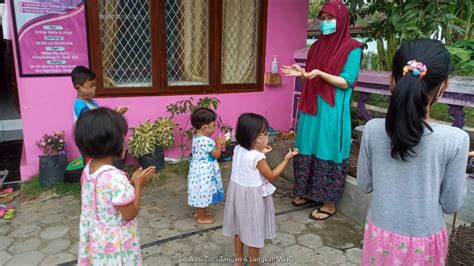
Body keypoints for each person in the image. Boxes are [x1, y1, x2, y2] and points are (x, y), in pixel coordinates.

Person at [357, 39, 469, 265]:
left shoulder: (372, 130)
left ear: (391, 81)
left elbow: (364, 185)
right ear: (444, 86)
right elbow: (452, 204)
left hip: (380, 237)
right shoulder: (456, 140)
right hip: (425, 244)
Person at [281, 2, 363, 220]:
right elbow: (311, 74)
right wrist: (304, 73)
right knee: (306, 145)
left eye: (330, 17)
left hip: (332, 108)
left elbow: (346, 81)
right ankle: (306, 193)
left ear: (342, 20)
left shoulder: (352, 48)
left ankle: (329, 203)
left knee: (328, 148)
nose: (325, 22)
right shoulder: (316, 46)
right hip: (311, 105)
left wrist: (317, 73)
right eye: (322, 17)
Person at [75, 107, 156, 265]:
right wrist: (138, 185)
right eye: (123, 136)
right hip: (115, 244)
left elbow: (105, 198)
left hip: (98, 241)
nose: (126, 141)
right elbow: (129, 214)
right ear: (114, 142)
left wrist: (129, 186)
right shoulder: (115, 178)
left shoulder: (89, 169)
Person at [223, 113, 299, 266]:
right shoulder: (258, 158)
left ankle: (239, 261)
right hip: (253, 198)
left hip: (237, 194)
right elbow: (271, 176)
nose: (266, 137)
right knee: (253, 232)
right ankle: (253, 264)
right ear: (251, 137)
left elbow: (248, 161)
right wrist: (286, 158)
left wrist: (260, 152)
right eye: (263, 134)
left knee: (239, 229)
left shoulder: (237, 149)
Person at [187, 107, 226, 224]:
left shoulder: (197, 137)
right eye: (213, 125)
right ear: (205, 128)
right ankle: (202, 217)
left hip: (197, 170)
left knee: (199, 190)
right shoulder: (206, 141)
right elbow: (216, 155)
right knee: (203, 191)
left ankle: (199, 212)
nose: (215, 127)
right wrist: (219, 144)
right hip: (205, 172)